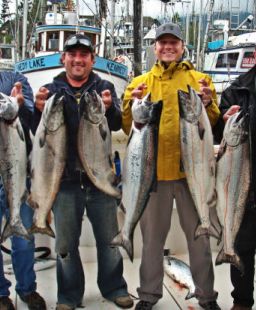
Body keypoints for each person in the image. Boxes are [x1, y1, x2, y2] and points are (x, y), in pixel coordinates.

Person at [122, 23, 222, 310]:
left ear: (182, 46)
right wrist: (130, 101)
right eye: (162, 42)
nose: (168, 47)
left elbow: (212, 122)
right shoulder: (140, 82)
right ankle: (149, 296)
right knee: (152, 242)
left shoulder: (200, 80)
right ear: (155, 47)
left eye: (173, 43)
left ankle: (206, 296)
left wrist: (209, 102)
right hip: (152, 177)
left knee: (199, 242)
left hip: (193, 176)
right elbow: (129, 125)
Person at [33, 33, 133, 310]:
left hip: (100, 181)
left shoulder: (104, 87)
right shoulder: (49, 91)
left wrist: (111, 108)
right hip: (63, 183)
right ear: (64, 58)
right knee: (65, 247)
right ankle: (69, 296)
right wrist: (37, 110)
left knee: (110, 243)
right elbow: (36, 132)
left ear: (92, 60)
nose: (78, 60)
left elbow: (114, 126)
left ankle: (114, 288)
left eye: (84, 55)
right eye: (72, 55)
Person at [216, 28, 256, 310]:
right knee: (242, 245)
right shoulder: (237, 90)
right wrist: (223, 120)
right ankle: (242, 302)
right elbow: (216, 134)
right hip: (250, 188)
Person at [0, 70, 46, 310]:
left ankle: (27, 289)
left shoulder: (14, 78)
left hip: (18, 173)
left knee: (24, 240)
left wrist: (18, 105)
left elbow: (30, 117)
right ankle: (0, 294)